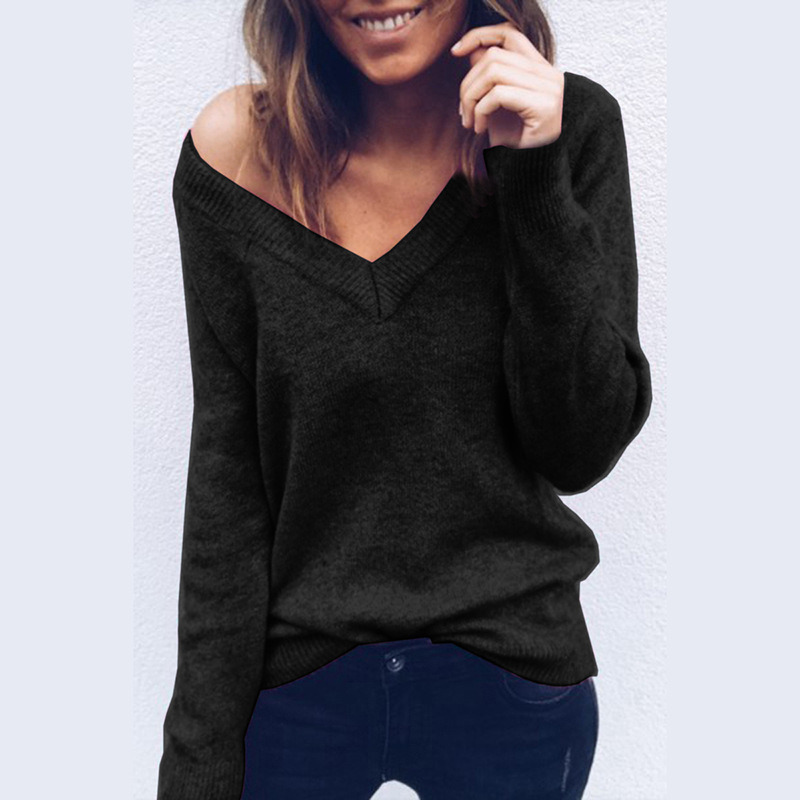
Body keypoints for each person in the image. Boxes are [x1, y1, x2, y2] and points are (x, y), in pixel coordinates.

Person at [156, 1, 652, 798]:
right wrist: (198, 763)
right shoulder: (238, 153)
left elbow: (579, 447)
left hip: (511, 676)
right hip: (300, 685)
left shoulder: (570, 124)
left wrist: (530, 170)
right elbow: (228, 473)